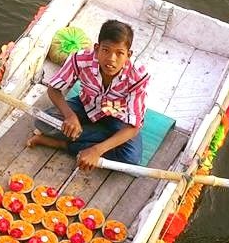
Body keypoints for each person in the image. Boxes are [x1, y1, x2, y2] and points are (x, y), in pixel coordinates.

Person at [27, 19, 149, 170]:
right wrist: (70, 116)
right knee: (42, 122)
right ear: (97, 49)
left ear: (128, 55)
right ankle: (97, 135)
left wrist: (97, 150)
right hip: (86, 105)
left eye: (119, 53)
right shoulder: (80, 59)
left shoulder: (138, 76)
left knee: (131, 158)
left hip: (118, 117)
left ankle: (62, 144)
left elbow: (134, 127)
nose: (111, 59)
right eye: (106, 50)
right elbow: (53, 89)